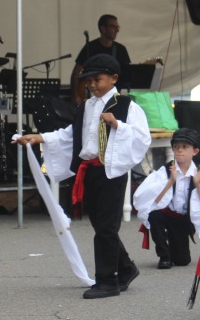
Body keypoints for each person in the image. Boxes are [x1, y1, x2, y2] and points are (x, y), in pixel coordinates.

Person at [15, 54, 151, 299]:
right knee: (101, 224)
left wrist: (118, 125)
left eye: (97, 79)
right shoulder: (86, 106)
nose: (91, 85)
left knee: (107, 227)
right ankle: (126, 268)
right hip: (89, 170)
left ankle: (108, 280)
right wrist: (40, 137)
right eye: (88, 81)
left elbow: (143, 137)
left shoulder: (128, 106)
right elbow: (71, 134)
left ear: (114, 78)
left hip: (111, 171)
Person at [133, 128, 200, 269]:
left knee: (182, 260)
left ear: (195, 151)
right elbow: (153, 202)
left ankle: (173, 243)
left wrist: (197, 185)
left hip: (182, 219)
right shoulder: (165, 171)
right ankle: (164, 255)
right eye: (176, 147)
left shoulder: (199, 174)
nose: (180, 150)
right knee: (154, 215)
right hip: (165, 214)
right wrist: (170, 182)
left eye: (185, 147)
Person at [70, 14, 131, 104]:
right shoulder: (90, 47)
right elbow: (76, 72)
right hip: (92, 96)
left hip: (113, 96)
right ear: (103, 29)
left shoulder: (120, 49)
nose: (117, 30)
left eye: (117, 27)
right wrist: (75, 94)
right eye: (113, 27)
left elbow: (128, 73)